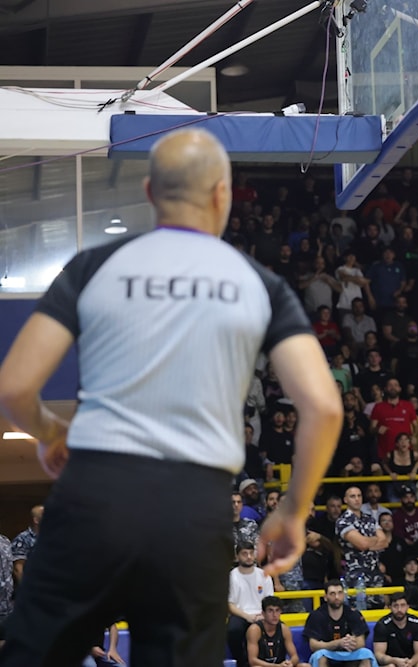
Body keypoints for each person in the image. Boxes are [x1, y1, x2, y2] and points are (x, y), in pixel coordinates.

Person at [0, 128, 342, 667]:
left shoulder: (94, 266)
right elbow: (323, 408)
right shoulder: (259, 283)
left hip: (93, 495)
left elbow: (15, 387)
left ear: (149, 192)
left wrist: (51, 432)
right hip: (192, 511)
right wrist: (294, 511)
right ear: (221, 194)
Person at [303, 580, 374, 667]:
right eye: (332, 594)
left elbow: (361, 642)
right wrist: (337, 643)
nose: (337, 597)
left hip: (349, 654)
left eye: (340, 593)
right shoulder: (316, 615)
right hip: (327, 653)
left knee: (365, 654)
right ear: (325, 597)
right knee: (319, 656)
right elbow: (313, 645)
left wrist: (351, 642)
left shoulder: (353, 613)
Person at [229, 544, 276, 667]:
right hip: (240, 614)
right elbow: (230, 605)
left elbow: (270, 601)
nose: (249, 557)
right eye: (244, 554)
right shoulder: (231, 576)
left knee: (279, 626)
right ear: (237, 556)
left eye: (251, 553)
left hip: (262, 614)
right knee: (233, 629)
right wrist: (247, 617)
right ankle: (242, 663)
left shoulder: (264, 575)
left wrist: (263, 615)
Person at [246, 596, 308, 667]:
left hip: (281, 665)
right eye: (270, 611)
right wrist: (276, 666)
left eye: (277, 610)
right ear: (263, 613)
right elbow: (253, 660)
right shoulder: (254, 630)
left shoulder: (284, 629)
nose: (274, 615)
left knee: (305, 666)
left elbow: (295, 657)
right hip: (264, 666)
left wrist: (290, 663)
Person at [372, 593, 418, 667]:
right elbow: (379, 655)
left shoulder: (417, 623)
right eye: (395, 606)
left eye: (402, 605)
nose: (399, 609)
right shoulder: (382, 625)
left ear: (408, 606)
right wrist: (394, 660)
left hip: (410, 662)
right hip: (391, 662)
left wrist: (410, 663)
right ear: (390, 607)